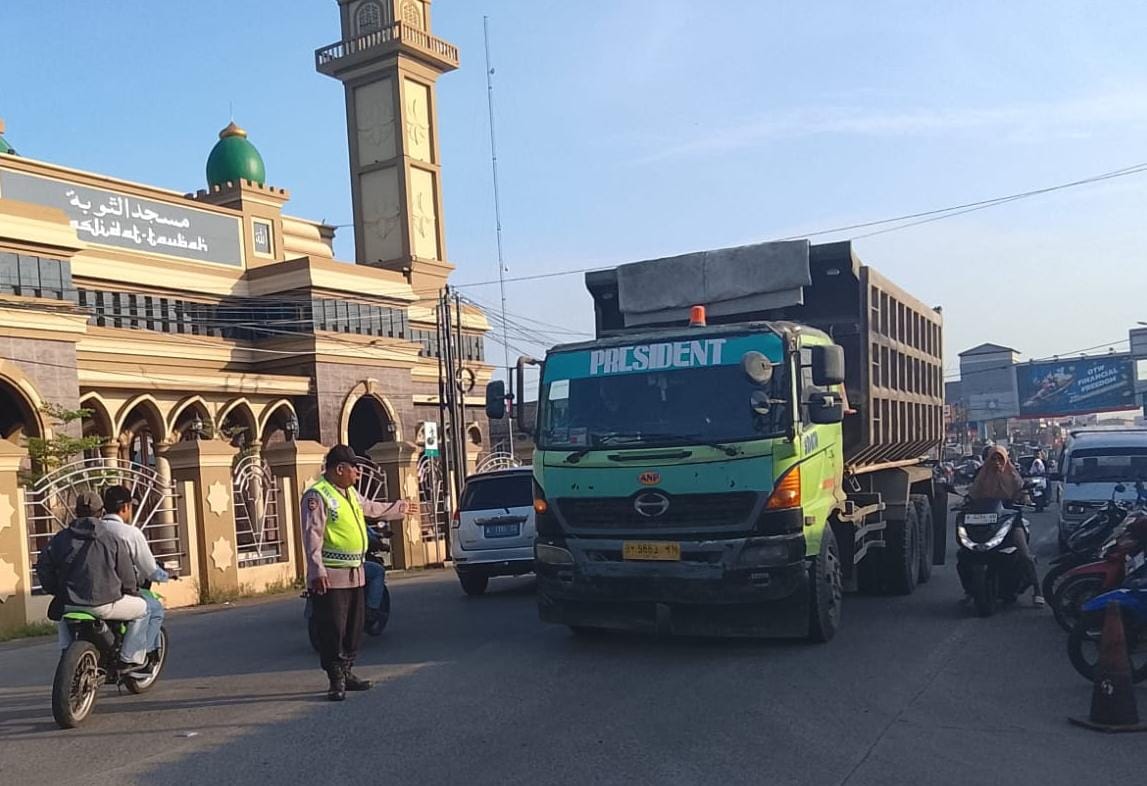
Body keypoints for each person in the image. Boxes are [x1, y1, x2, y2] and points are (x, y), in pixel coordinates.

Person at [300, 445, 409, 701]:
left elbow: (370, 508)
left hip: (355, 571)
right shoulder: (318, 495)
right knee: (333, 627)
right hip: (331, 574)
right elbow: (312, 535)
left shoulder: (349, 492)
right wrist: (316, 570)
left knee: (353, 625)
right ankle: (335, 678)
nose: (358, 474)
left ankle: (347, 670)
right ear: (340, 469)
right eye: (355, 469)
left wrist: (399, 508)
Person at [36, 492, 151, 672]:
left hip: (69, 603)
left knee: (64, 616)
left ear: (76, 512)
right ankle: (130, 658)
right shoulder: (111, 539)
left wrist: (56, 590)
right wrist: (132, 592)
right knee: (144, 609)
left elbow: (43, 567)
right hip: (104, 604)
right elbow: (127, 576)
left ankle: (66, 651)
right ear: (101, 512)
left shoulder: (60, 538)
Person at [966, 446, 1045, 607]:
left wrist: (1024, 497)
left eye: (1000, 459)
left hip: (1010, 518)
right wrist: (966, 502)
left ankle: (1038, 591)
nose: (996, 462)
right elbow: (972, 494)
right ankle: (970, 590)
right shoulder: (982, 475)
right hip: (986, 520)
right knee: (966, 553)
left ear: (1005, 459)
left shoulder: (1013, 475)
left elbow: (1023, 492)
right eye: (993, 458)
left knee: (1025, 555)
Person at [99, 485, 170, 661]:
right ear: (125, 507)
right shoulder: (129, 533)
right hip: (117, 592)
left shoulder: (95, 528)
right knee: (153, 609)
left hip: (85, 590)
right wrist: (164, 576)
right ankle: (137, 655)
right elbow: (149, 568)